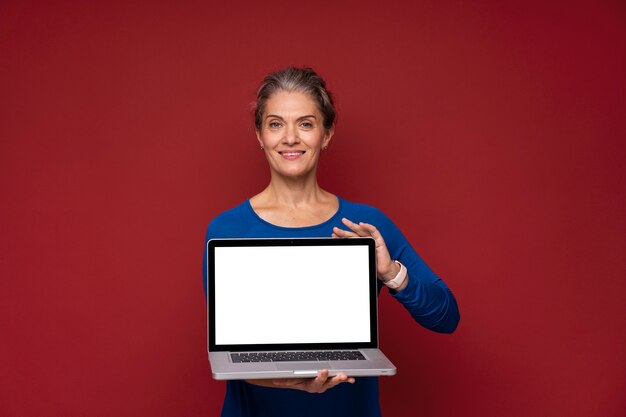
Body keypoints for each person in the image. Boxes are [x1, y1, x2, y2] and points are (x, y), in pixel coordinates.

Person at [203, 67, 460, 417]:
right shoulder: (226, 229)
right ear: (260, 135)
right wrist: (289, 380)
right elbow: (231, 357)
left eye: (306, 124)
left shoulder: (366, 226)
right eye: (276, 124)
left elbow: (446, 318)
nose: (290, 138)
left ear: (326, 133)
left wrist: (391, 273)